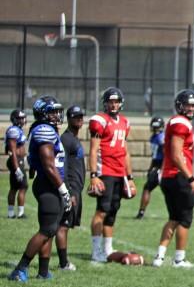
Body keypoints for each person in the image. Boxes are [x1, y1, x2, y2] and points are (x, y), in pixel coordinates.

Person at [7, 97, 72, 282]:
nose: (57, 115)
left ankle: (43, 271)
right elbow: (49, 165)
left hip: (50, 184)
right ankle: (20, 268)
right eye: (52, 111)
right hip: (48, 185)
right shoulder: (43, 130)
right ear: (42, 113)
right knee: (47, 230)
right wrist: (63, 189)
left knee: (49, 229)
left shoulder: (46, 129)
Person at [152, 90, 194, 268]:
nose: (191, 108)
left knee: (173, 217)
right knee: (184, 219)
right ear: (179, 105)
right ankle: (179, 259)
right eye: (188, 105)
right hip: (179, 177)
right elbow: (176, 153)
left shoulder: (176, 121)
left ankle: (159, 256)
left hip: (168, 177)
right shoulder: (181, 123)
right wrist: (191, 177)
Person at [88, 87, 135, 262]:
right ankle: (95, 251)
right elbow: (93, 150)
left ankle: (107, 248)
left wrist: (129, 178)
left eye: (116, 101)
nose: (113, 104)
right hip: (105, 171)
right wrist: (94, 175)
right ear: (105, 103)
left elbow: (125, 152)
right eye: (110, 101)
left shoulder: (124, 122)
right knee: (102, 210)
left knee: (113, 211)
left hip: (119, 173)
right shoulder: (100, 120)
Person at [55, 105, 87, 271]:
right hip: (70, 190)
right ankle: (63, 263)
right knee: (62, 226)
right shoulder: (66, 140)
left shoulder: (73, 138)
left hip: (76, 189)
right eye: (76, 117)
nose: (80, 119)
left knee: (62, 226)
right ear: (68, 119)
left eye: (81, 116)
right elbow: (62, 167)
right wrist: (69, 192)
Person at [136, 116, 166, 219]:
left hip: (160, 166)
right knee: (150, 189)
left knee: (147, 189)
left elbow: (163, 153)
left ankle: (141, 212)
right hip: (160, 166)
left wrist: (157, 169)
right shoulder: (159, 137)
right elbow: (159, 154)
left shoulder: (156, 138)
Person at [6, 108, 28, 219]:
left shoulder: (18, 130)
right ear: (14, 119)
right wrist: (17, 167)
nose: (23, 120)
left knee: (14, 187)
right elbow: (13, 151)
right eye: (20, 118)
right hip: (15, 160)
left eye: (23, 118)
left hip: (18, 160)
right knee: (23, 186)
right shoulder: (13, 130)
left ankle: (11, 213)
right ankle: (20, 213)